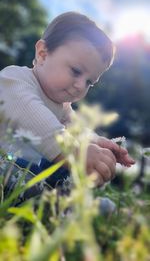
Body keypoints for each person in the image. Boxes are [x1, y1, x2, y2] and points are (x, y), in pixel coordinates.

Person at [0, 11, 135, 194]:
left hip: (27, 175)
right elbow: (39, 121)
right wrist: (77, 152)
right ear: (43, 54)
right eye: (76, 71)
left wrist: (96, 142)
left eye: (90, 82)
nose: (80, 86)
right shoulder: (14, 80)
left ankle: (61, 201)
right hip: (5, 165)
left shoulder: (62, 107)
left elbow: (75, 129)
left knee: (60, 177)